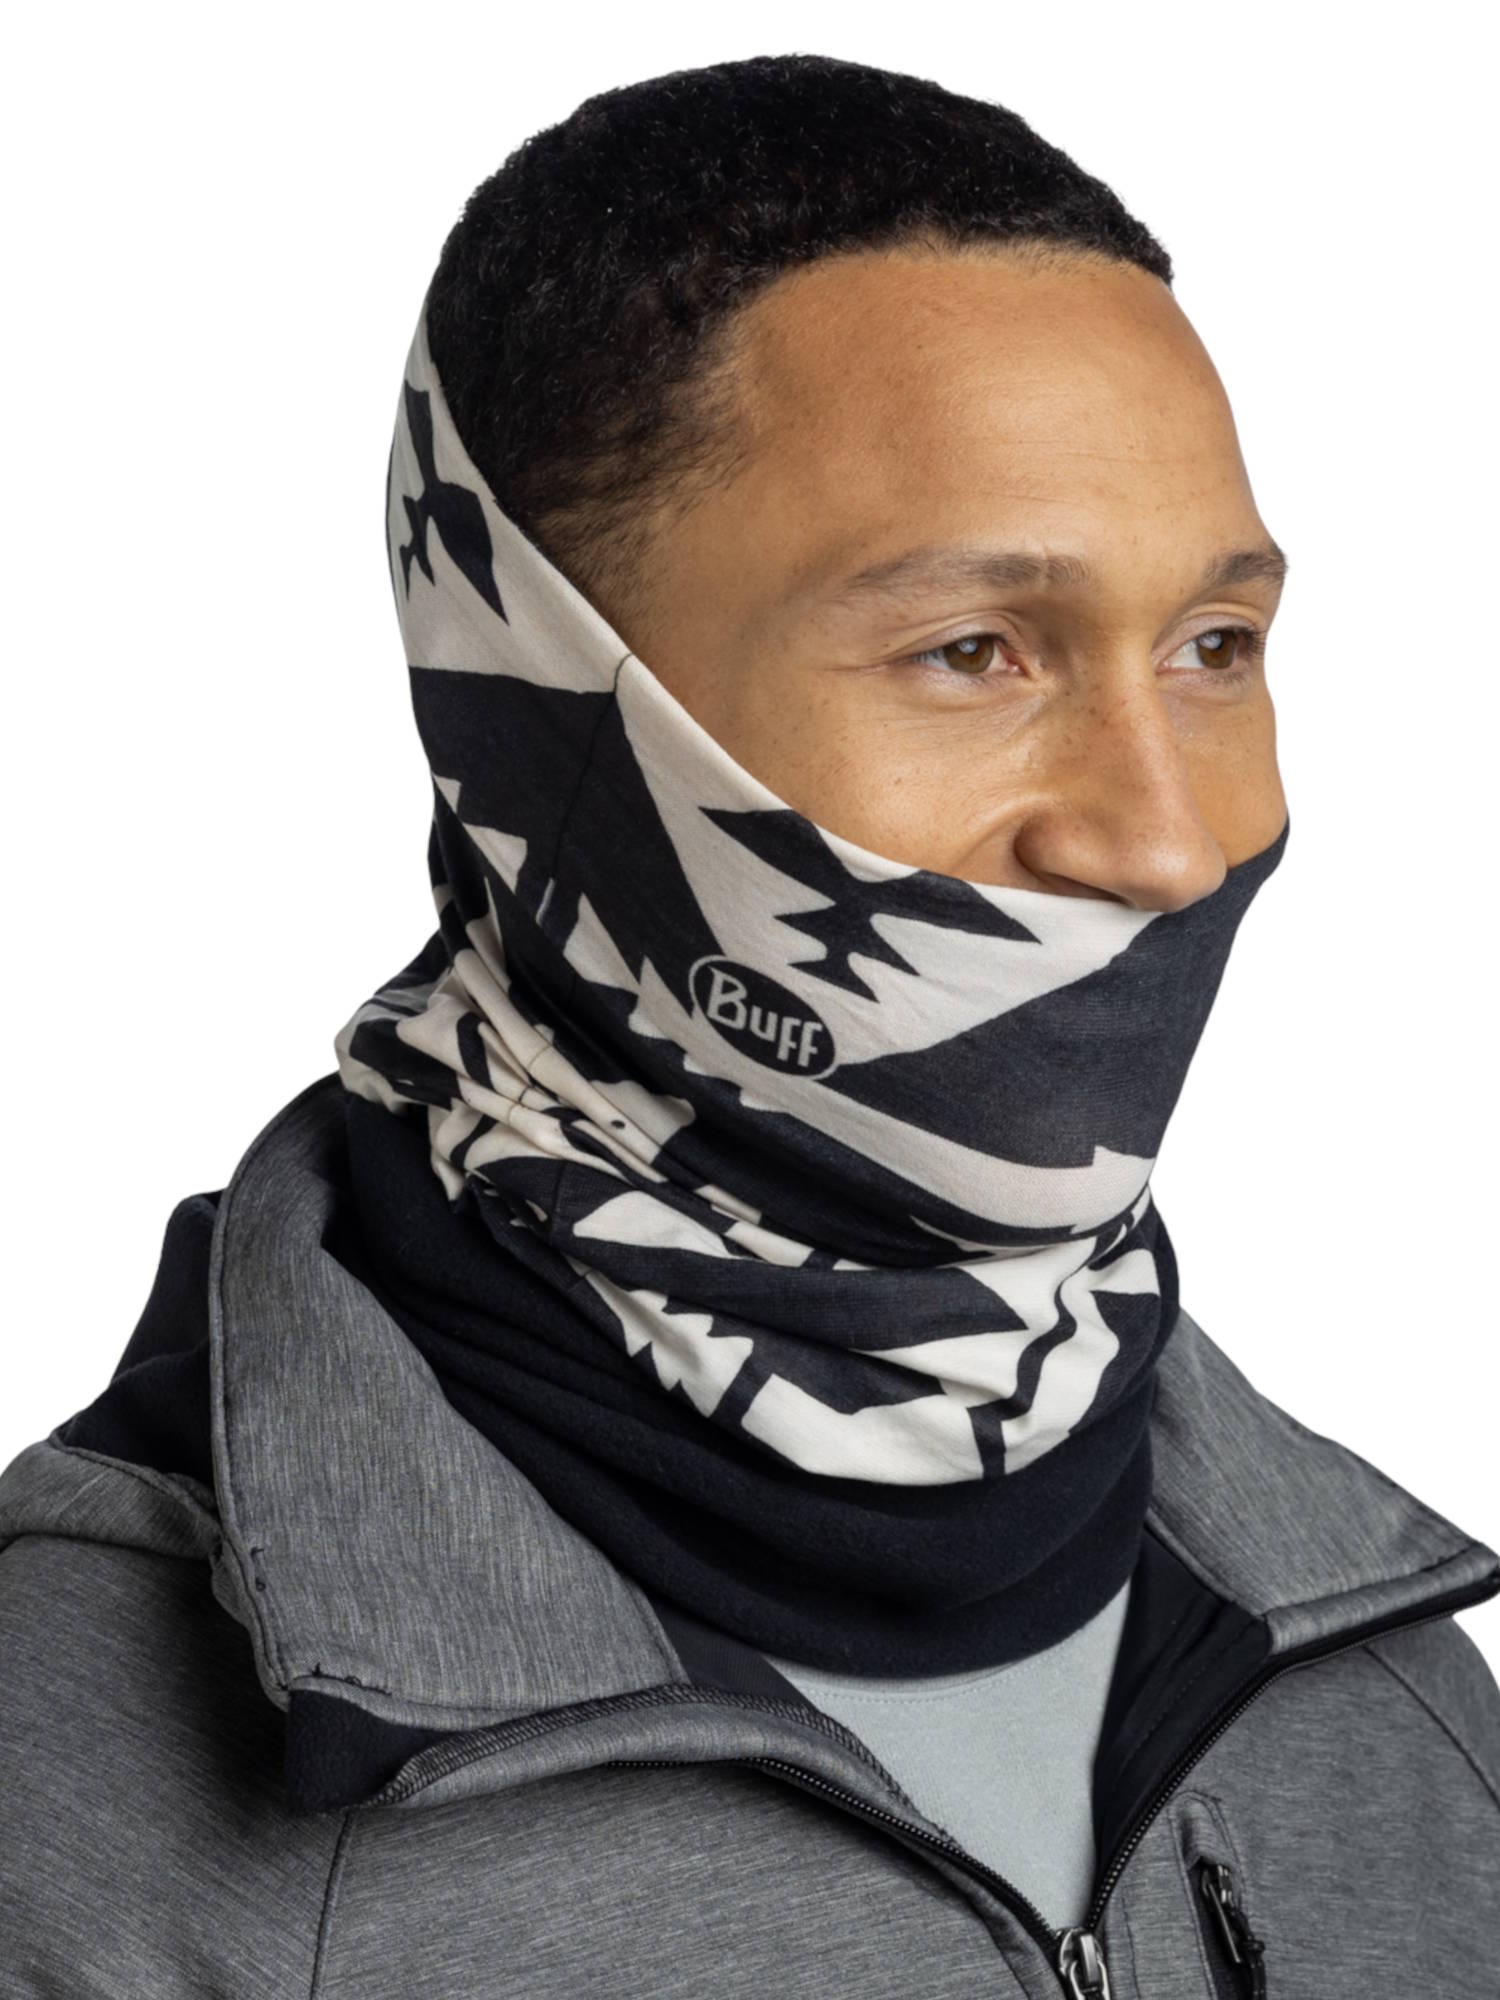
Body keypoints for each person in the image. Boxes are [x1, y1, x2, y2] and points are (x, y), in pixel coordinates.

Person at [2, 51, 1496, 2000]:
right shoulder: (79, 1806)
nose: (1167, 839)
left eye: (1216, 646)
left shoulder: (1392, 1691)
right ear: (531, 709)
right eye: (975, 650)